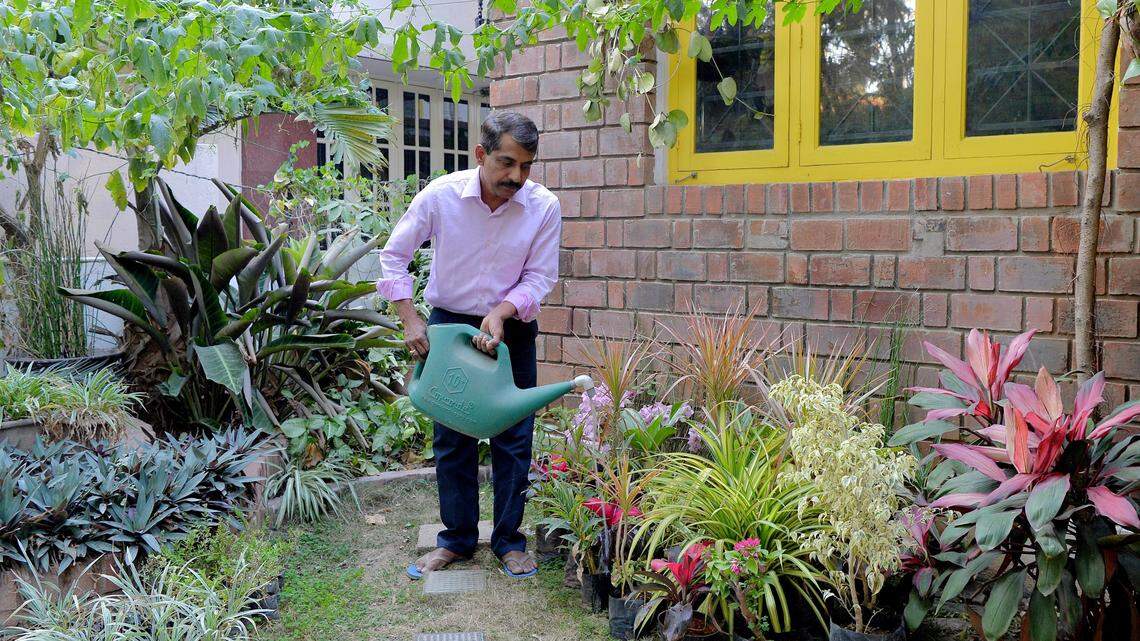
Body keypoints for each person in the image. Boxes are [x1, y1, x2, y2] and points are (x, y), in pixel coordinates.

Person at [376, 111, 561, 579]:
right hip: (449, 325)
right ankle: (456, 540)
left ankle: (509, 542)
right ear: (480, 155)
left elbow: (540, 276)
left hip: (511, 326)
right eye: (506, 163)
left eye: (526, 166)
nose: (516, 177)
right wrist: (410, 318)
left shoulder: (544, 206)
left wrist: (501, 313)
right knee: (452, 438)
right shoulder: (440, 196)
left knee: (514, 438)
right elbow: (393, 256)